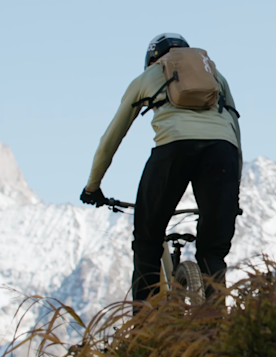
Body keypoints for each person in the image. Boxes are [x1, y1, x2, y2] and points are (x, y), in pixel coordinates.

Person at [80, 33, 242, 307]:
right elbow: (235, 130)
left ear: (153, 59)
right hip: (222, 152)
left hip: (173, 150)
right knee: (213, 250)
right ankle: (217, 328)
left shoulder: (148, 77)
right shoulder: (215, 75)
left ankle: (145, 330)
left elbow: (112, 138)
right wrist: (232, 189)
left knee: (147, 239)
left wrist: (92, 186)